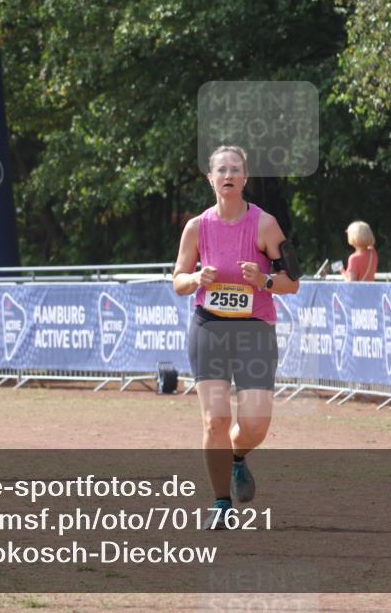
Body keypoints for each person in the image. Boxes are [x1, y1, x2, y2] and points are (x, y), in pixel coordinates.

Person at [173, 146, 299, 529]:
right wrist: (196, 279)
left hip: (254, 330)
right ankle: (221, 502)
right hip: (209, 327)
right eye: (221, 170)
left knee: (255, 424)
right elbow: (178, 281)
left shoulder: (265, 225)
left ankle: (238, 456)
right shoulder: (197, 227)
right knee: (215, 420)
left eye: (236, 170)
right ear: (210, 179)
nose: (228, 175)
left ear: (245, 179)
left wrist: (262, 280)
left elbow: (292, 281)